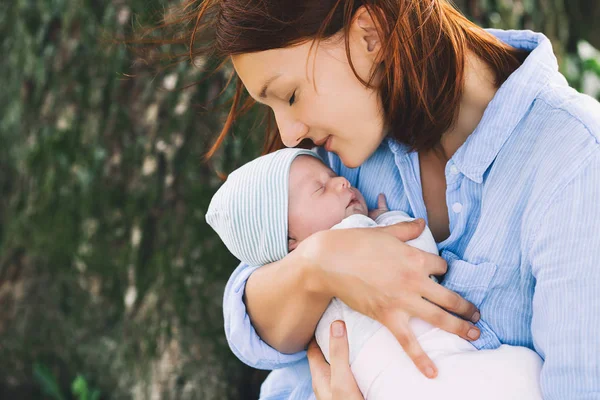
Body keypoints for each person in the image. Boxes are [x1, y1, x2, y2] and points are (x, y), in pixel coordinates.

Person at [151, 0, 600, 398]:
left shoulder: (573, 163)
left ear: (370, 35)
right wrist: (317, 265)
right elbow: (250, 310)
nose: (289, 135)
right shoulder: (344, 150)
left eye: (290, 95)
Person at [205, 147, 543, 399]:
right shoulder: (350, 235)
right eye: (320, 188)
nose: (340, 182)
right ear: (289, 241)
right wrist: (387, 221)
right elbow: (418, 250)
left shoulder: (298, 299)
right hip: (422, 361)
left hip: (387, 384)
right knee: (521, 373)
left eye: (330, 175)